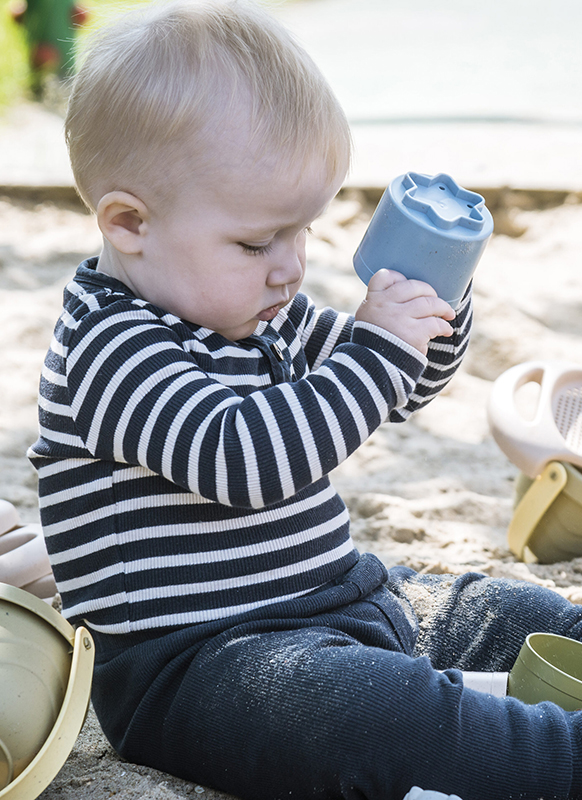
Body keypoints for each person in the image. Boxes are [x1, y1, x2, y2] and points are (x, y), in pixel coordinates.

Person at [27, 2, 582, 799]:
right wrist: (375, 348)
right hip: (205, 666)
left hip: (341, 597)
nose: (291, 268)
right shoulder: (111, 352)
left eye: (304, 230)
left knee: (500, 610)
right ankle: (556, 759)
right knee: (375, 716)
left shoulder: (251, 309)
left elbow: (401, 388)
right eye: (257, 242)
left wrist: (431, 309)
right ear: (128, 222)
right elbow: (243, 459)